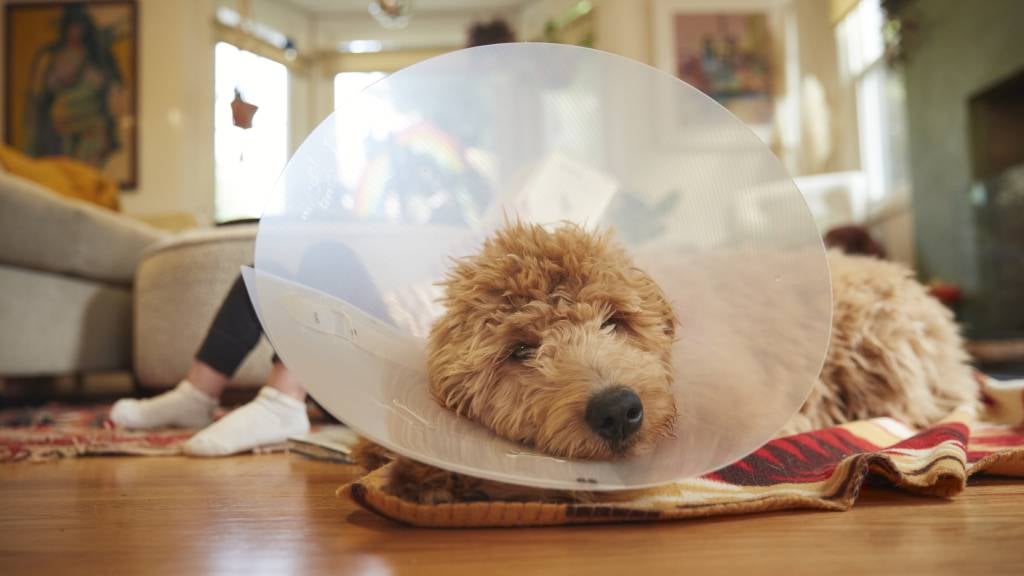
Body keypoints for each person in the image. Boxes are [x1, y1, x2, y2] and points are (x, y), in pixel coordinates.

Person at [110, 19, 519, 457]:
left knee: (328, 257)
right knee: (263, 271)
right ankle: (197, 395)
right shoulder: (471, 206)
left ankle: (281, 402)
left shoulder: (510, 224)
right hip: (363, 355)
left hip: (402, 376)